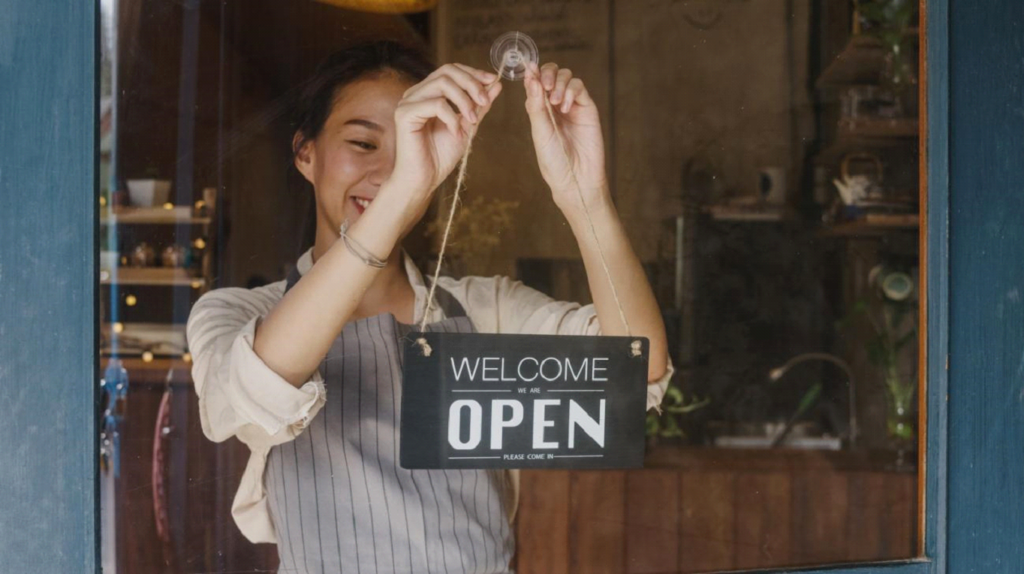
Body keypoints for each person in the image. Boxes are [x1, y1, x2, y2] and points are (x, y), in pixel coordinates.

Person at [187, 40, 673, 574]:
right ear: (306, 153)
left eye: (410, 145)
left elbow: (633, 371)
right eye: (364, 143)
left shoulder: (484, 310)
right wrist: (400, 194)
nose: (389, 168)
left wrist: (585, 195)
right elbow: (258, 385)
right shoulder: (235, 315)